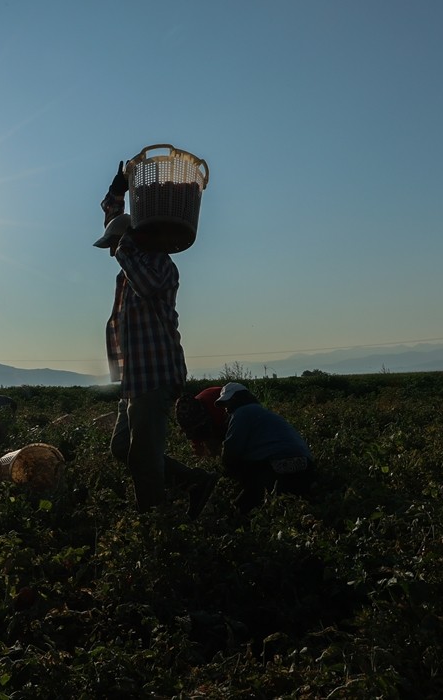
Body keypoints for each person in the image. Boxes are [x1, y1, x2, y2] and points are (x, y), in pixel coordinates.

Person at [97, 160, 217, 518]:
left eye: (119, 244)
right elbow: (117, 229)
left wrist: (124, 242)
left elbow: (144, 281)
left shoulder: (160, 266)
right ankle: (195, 481)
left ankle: (153, 523)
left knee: (144, 458)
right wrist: (116, 193)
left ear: (132, 241)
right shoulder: (131, 264)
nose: (114, 250)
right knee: (124, 448)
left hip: (156, 374)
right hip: (135, 377)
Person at [176, 382, 316, 514]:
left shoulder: (241, 414)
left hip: (275, 466)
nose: (225, 410)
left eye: (226, 405)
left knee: (241, 507)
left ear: (235, 401)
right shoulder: (265, 414)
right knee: (293, 499)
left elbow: (231, 453)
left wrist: (223, 474)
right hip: (307, 467)